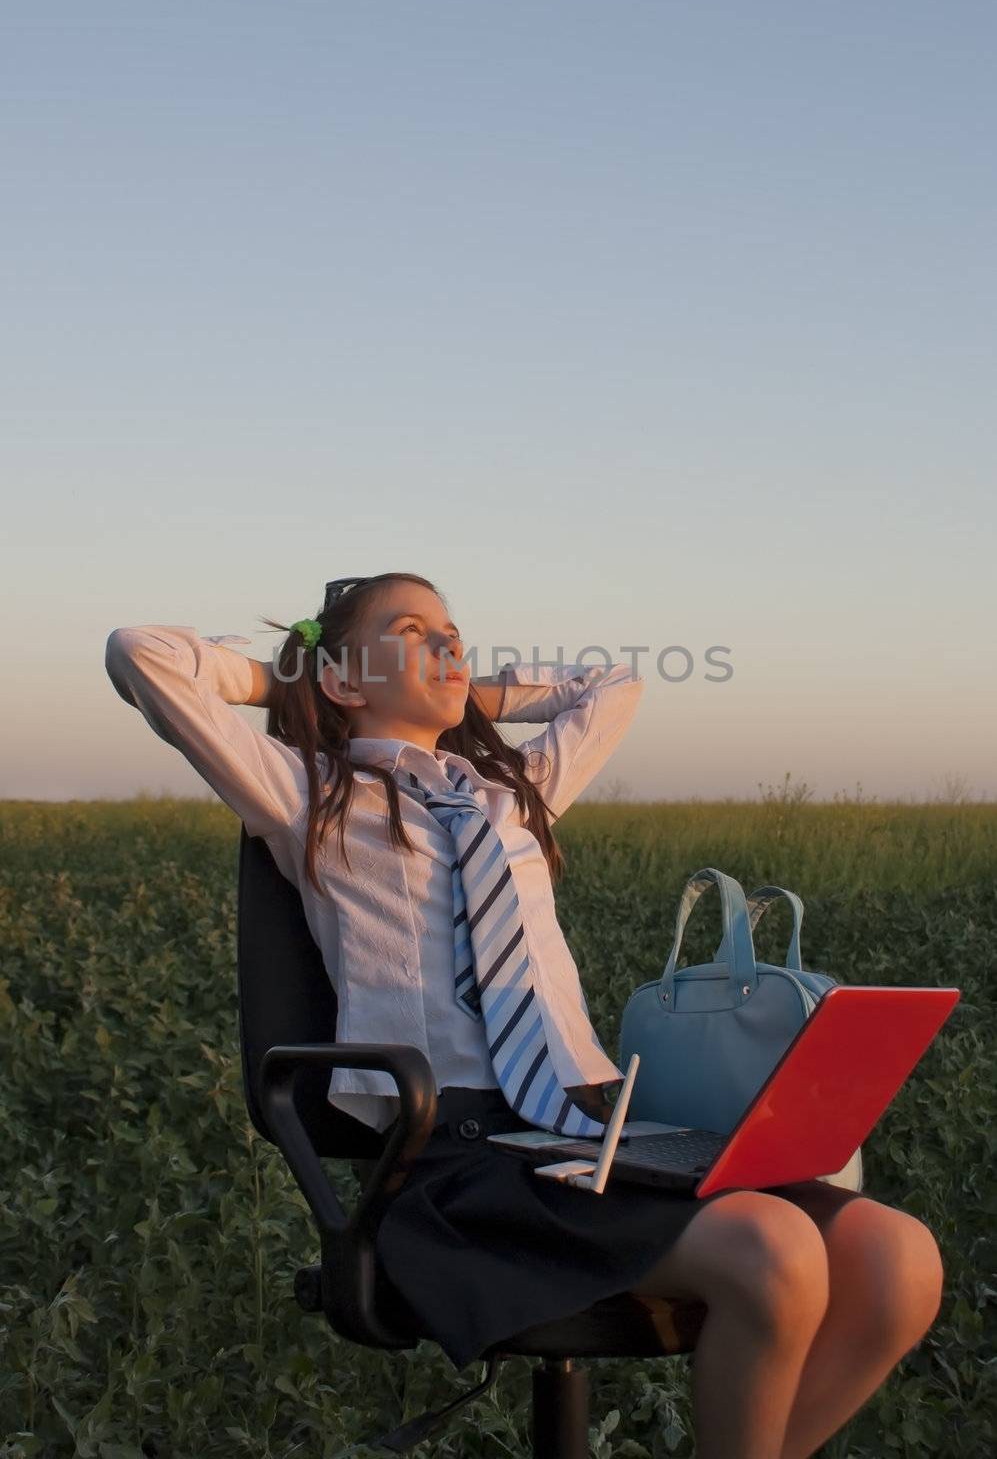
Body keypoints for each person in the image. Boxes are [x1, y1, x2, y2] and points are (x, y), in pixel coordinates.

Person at [104, 571, 944, 1459]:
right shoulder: (305, 794)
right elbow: (141, 654)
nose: (448, 644)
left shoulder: (513, 792)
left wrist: (468, 694)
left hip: (597, 1132)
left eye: (453, 630)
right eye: (413, 630)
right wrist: (302, 682)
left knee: (899, 1262)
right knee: (772, 1248)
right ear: (346, 676)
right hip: (459, 1155)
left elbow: (611, 685)